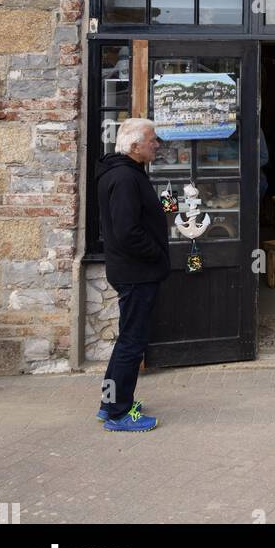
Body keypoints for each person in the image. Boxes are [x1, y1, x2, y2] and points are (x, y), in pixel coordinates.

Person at [95, 118, 170, 432]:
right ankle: (118, 412)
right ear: (135, 145)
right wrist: (156, 252)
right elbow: (127, 232)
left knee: (127, 339)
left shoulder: (123, 172)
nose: (157, 144)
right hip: (136, 271)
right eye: (153, 139)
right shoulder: (125, 178)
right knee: (132, 342)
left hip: (130, 269)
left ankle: (109, 402)